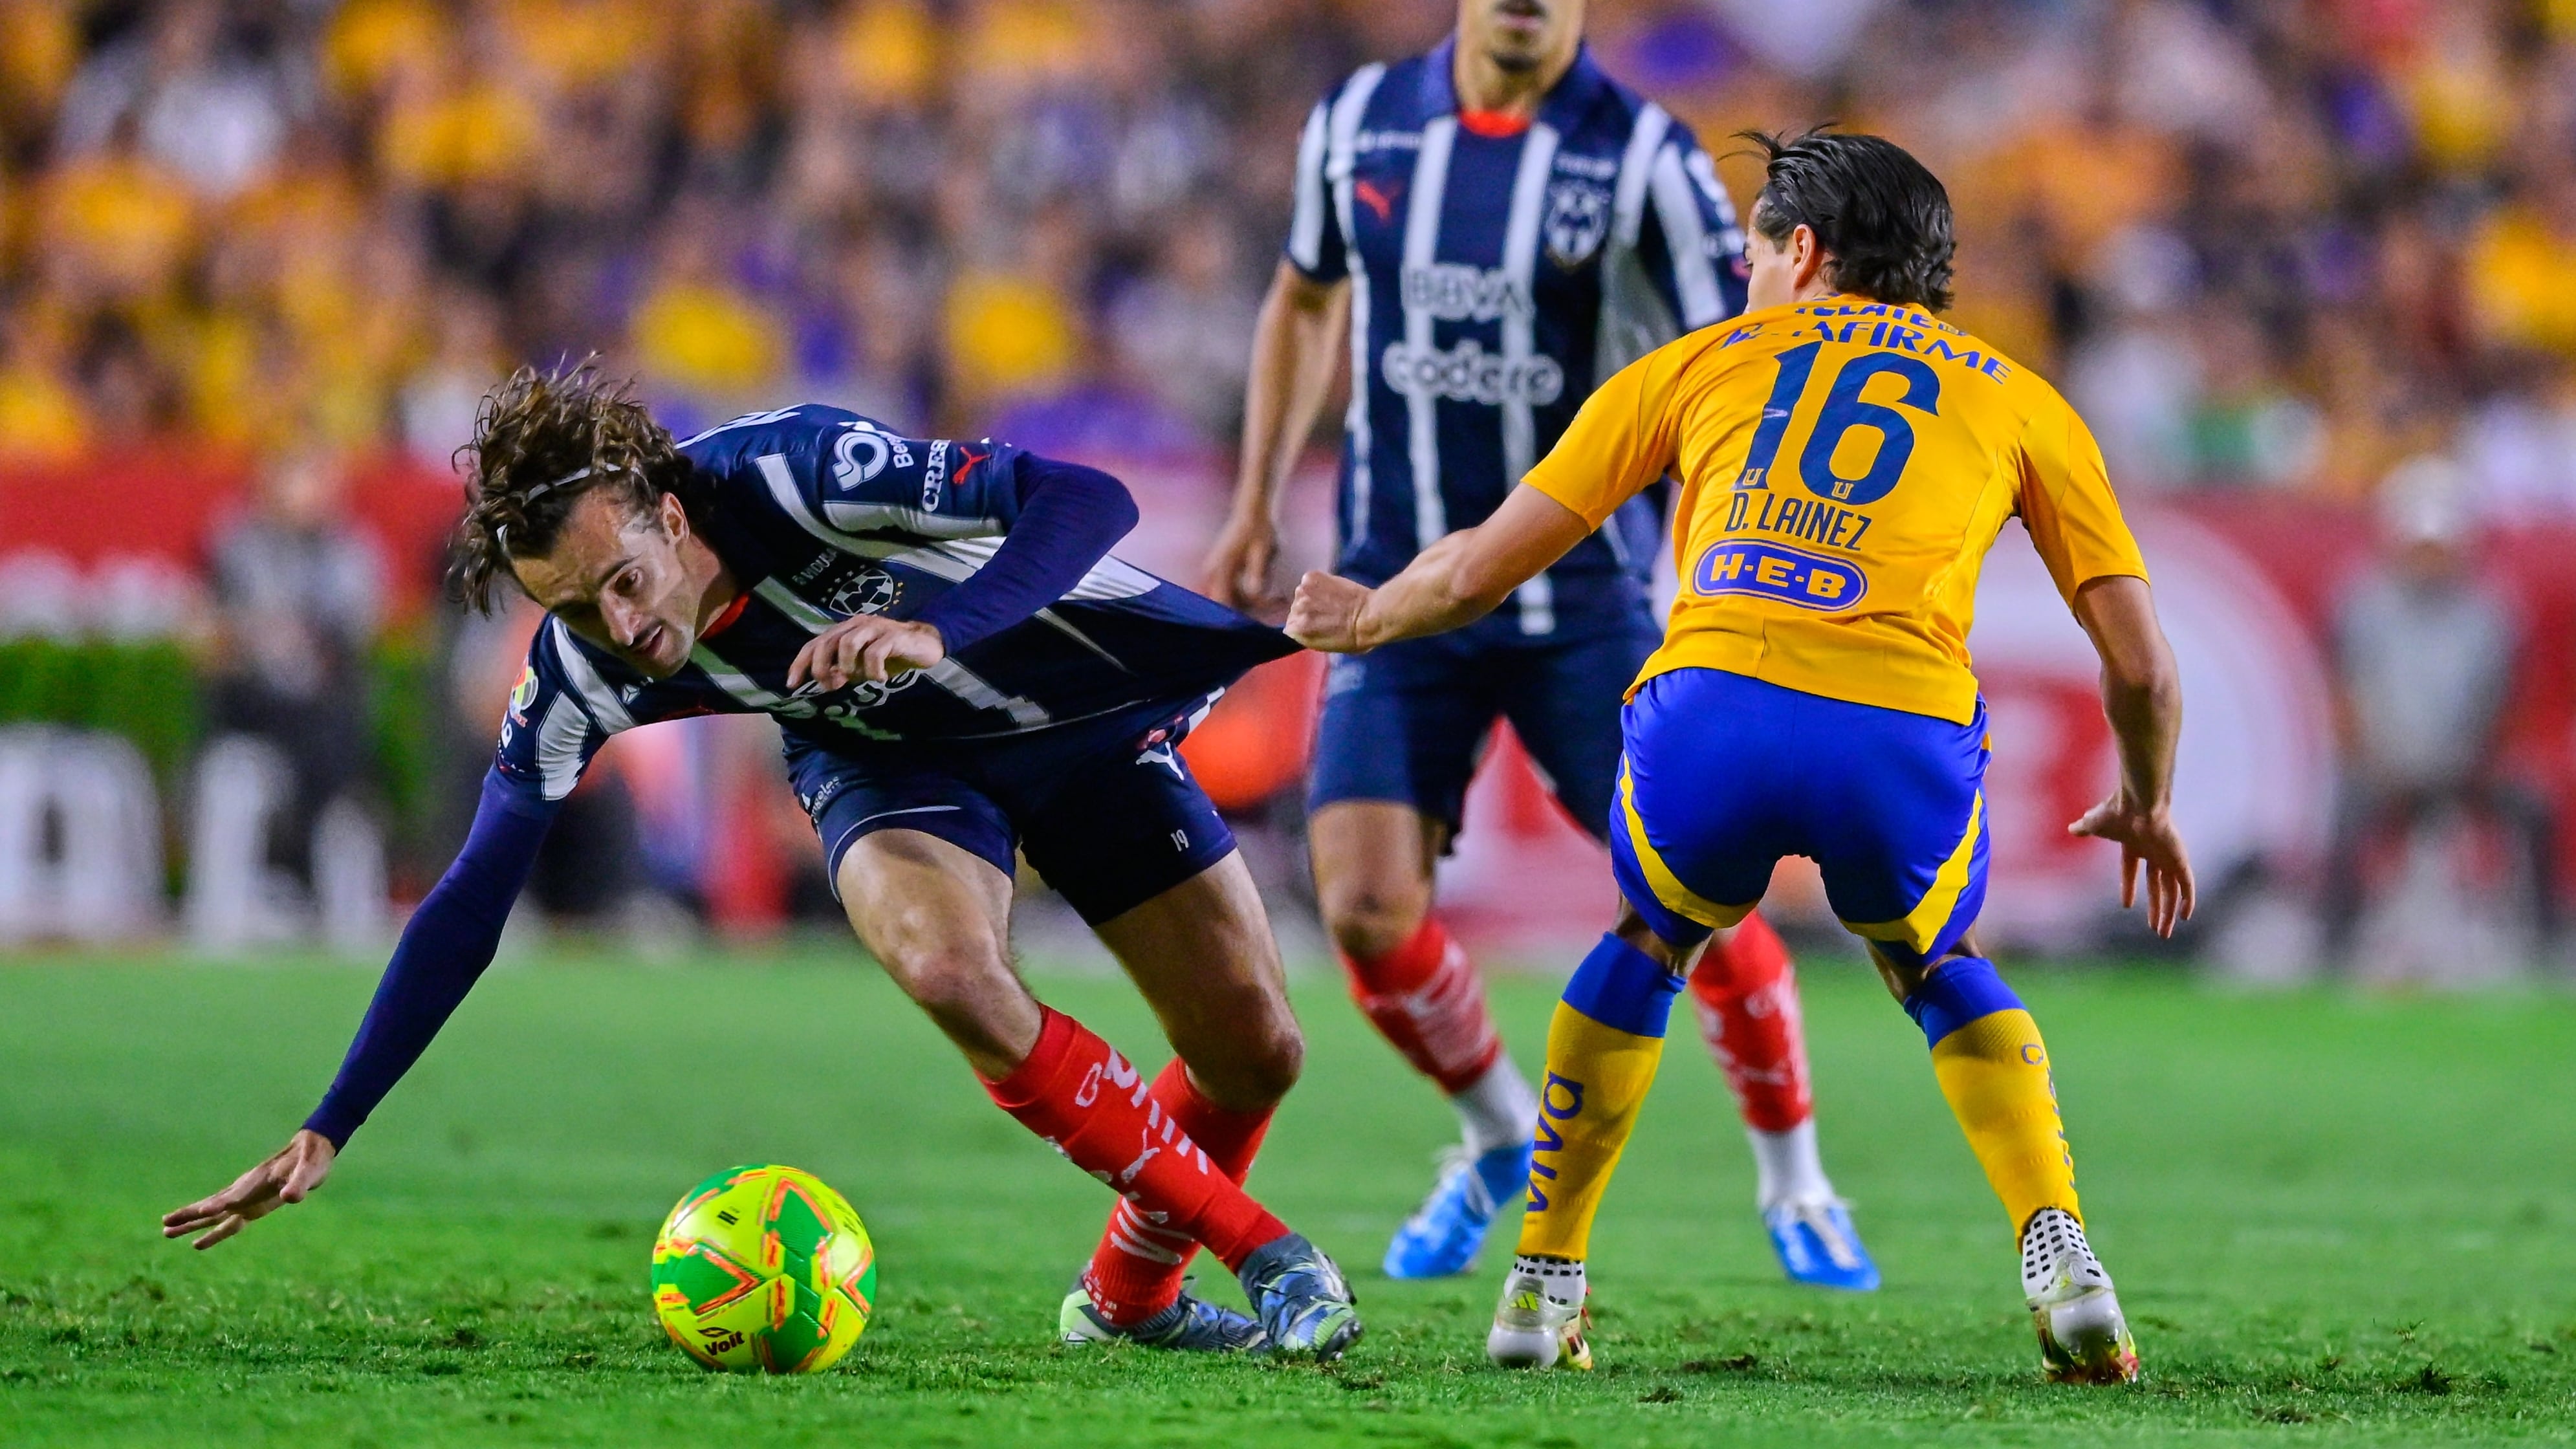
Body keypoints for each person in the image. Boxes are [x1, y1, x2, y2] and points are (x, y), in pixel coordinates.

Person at [162, 363, 1363, 1361]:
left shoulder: (797, 472)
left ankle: (1126, 1304)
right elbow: (475, 895)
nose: (624, 628)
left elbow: (1082, 497)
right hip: (885, 763)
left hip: (1067, 718)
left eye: (627, 582)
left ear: (669, 517)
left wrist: (935, 629)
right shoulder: (584, 672)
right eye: (578, 611)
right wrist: (333, 1123)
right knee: (950, 971)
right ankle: (1269, 1254)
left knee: (1257, 1052)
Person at [1287, 129, 2193, 1383]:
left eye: (1755, 248)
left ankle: (1540, 1286)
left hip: (1706, 715)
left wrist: (1365, 617)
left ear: (1801, 251)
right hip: (1898, 735)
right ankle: (2061, 1253)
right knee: (1934, 964)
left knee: (1646, 944)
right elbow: (2141, 667)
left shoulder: (1691, 365)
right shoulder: (2020, 398)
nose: (1747, 273)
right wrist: (2144, 801)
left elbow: (1478, 569)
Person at [1203, 0, 1875, 1288]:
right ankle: (1499, 1127)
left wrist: (1716, 567)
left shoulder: (1647, 160)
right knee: (1357, 902)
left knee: (1694, 887)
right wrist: (1253, 498)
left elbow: (1733, 365)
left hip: (1585, 599)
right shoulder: (1356, 124)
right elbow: (1301, 300)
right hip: (1396, 592)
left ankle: (1795, 1175)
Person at [2320, 459, 2557, 966]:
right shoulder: (2361, 603)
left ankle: (2545, 942)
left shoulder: (2492, 610)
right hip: (2384, 764)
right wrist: (2377, 762)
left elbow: (2502, 702)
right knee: (2346, 814)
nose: (2431, 559)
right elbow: (2347, 697)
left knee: (2534, 808)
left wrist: (2472, 764)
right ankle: (2333, 946)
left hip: (2469, 764)